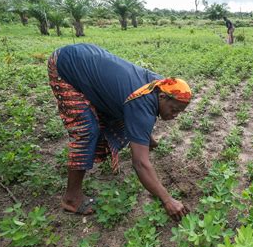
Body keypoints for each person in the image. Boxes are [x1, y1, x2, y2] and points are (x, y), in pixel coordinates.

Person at [47, 43, 192, 221]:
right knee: (87, 131)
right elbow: (140, 163)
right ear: (162, 97)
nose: (175, 115)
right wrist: (167, 200)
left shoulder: (159, 85)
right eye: (174, 109)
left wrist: (148, 141)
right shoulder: (142, 103)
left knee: (121, 116)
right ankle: (71, 199)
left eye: (180, 112)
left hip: (85, 56)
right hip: (65, 64)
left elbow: (137, 116)